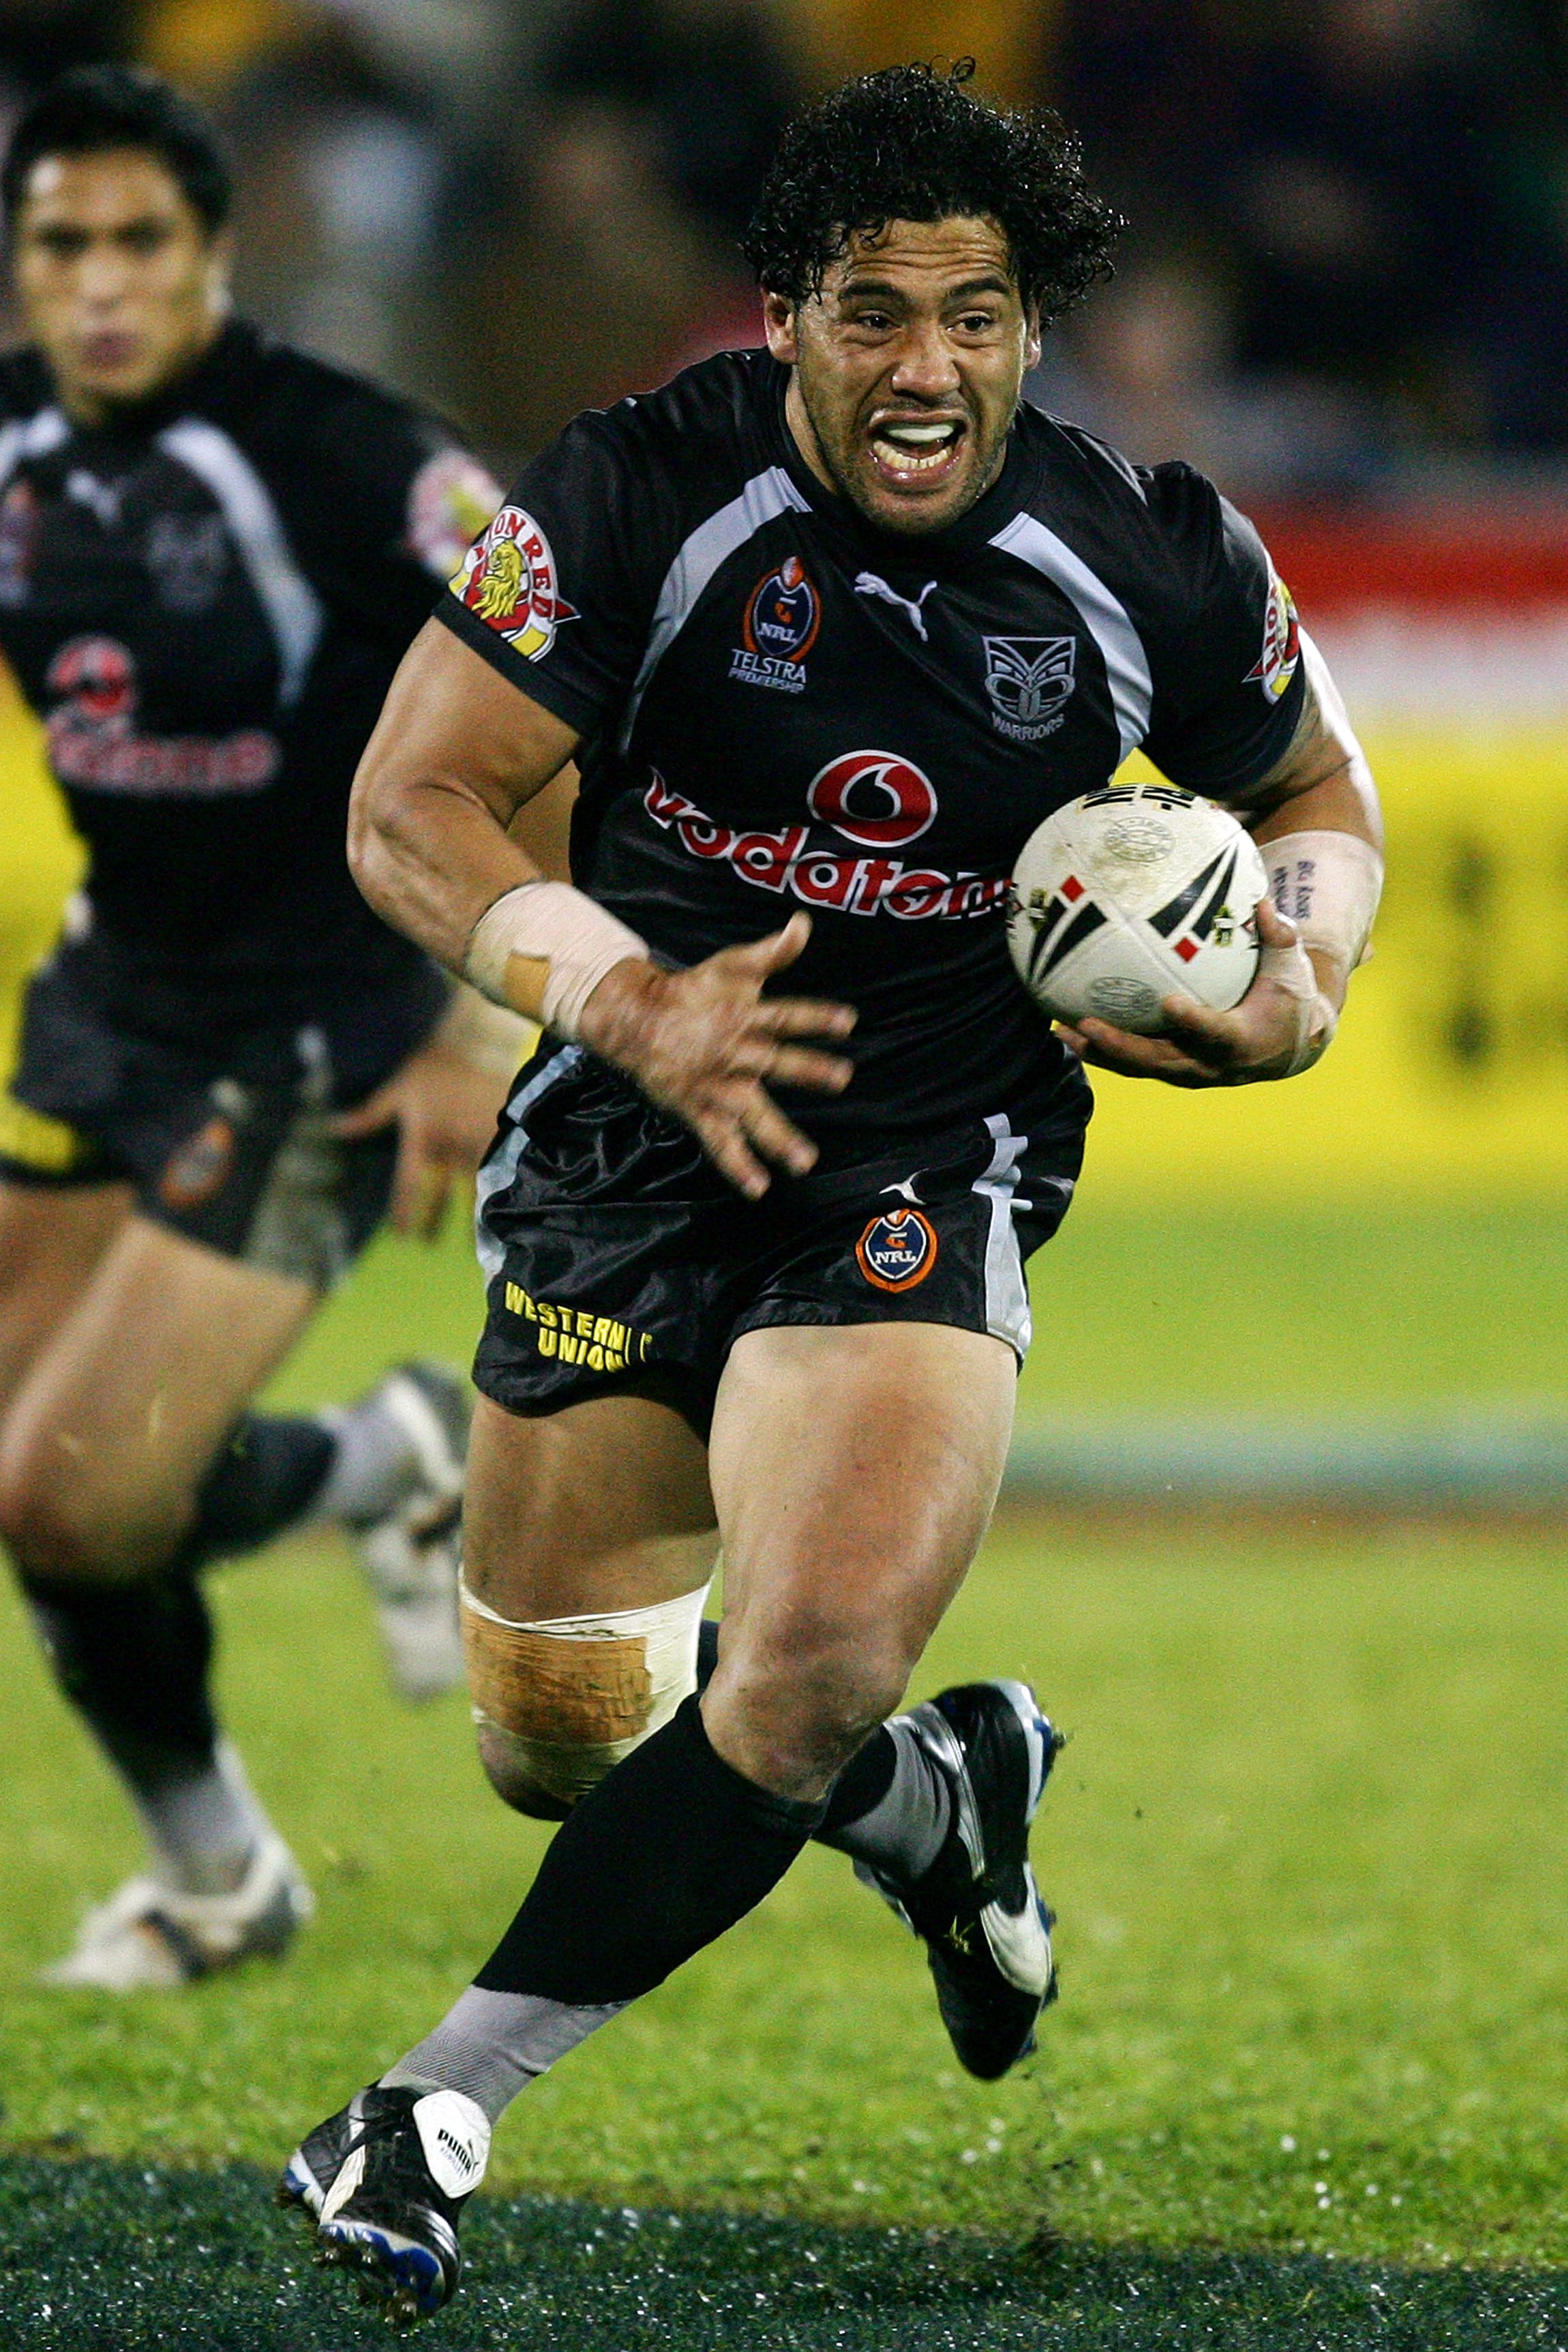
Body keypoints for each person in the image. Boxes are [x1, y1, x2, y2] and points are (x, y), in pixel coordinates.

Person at [282, 61, 1385, 2321]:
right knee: (561, 1739)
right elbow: (413, 808)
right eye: (872, 313)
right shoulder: (633, 489)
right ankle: (937, 1799)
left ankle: (423, 2107)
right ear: (782, 313)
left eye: (974, 316)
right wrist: (630, 1002)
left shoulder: (1145, 548)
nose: (925, 368)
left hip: (922, 1154)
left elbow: (1316, 798)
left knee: (796, 1664)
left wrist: (1299, 983)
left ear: (1032, 327)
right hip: (625, 1133)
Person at [0, 65, 522, 1991]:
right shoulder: (12, 445)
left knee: (67, 1495)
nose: (101, 283)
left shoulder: (344, 454)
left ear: (215, 253)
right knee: (34, 1474)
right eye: (62, 243)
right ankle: (229, 1856)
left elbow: (572, 690)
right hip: (110, 989)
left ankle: (219, 1864)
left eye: (141, 241)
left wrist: (476, 1033)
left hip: (324, 1014)